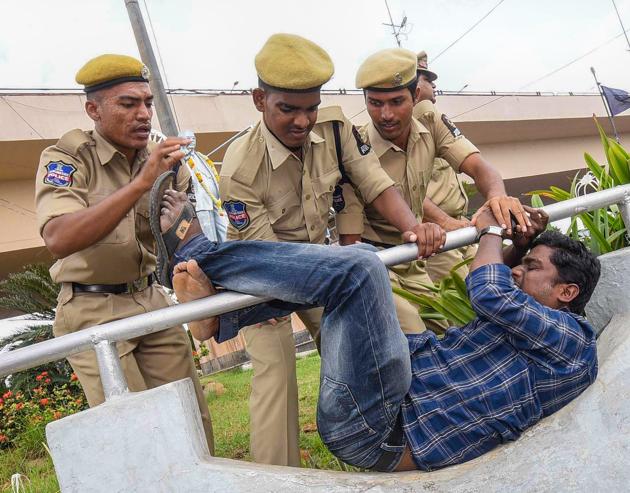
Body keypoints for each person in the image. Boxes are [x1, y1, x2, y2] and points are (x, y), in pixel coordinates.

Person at [155, 189, 600, 472]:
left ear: (567, 292)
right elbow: (495, 289)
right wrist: (519, 244)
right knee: (344, 275)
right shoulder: (536, 331)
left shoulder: (572, 345)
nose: (518, 273)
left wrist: (491, 229)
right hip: (390, 391)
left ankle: (199, 254)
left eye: (531, 267)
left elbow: (487, 291)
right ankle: (220, 318)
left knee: (360, 267)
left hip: (382, 427)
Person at [217, 33, 443, 466]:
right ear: (259, 99)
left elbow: (375, 183)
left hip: (321, 265)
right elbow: (272, 259)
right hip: (261, 276)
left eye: (310, 107)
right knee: (277, 376)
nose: (302, 122)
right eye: (288, 109)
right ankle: (277, 479)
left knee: (391, 332)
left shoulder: (336, 130)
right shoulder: (240, 168)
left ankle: (412, 443)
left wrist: (413, 228)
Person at [34, 54, 214, 451]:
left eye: (147, 103)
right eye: (128, 104)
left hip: (151, 297)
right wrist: (139, 185)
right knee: (140, 433)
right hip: (90, 309)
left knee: (192, 424)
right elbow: (59, 237)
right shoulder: (67, 158)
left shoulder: (165, 159)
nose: (143, 114)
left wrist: (182, 224)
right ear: (93, 109)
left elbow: (188, 234)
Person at [336, 48, 528, 333]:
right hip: (379, 260)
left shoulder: (430, 121)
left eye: (396, 101)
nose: (385, 114)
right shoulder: (355, 146)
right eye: (374, 103)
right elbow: (350, 239)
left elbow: (479, 168)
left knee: (448, 329)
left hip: (415, 256)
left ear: (415, 95)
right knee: (413, 335)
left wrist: (497, 196)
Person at [415, 50, 478, 283]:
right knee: (462, 302)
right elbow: (402, 188)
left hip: (457, 226)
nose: (434, 91)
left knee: (491, 286)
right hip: (436, 233)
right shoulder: (415, 124)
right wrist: (444, 222)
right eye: (429, 82)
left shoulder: (432, 124)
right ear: (415, 87)